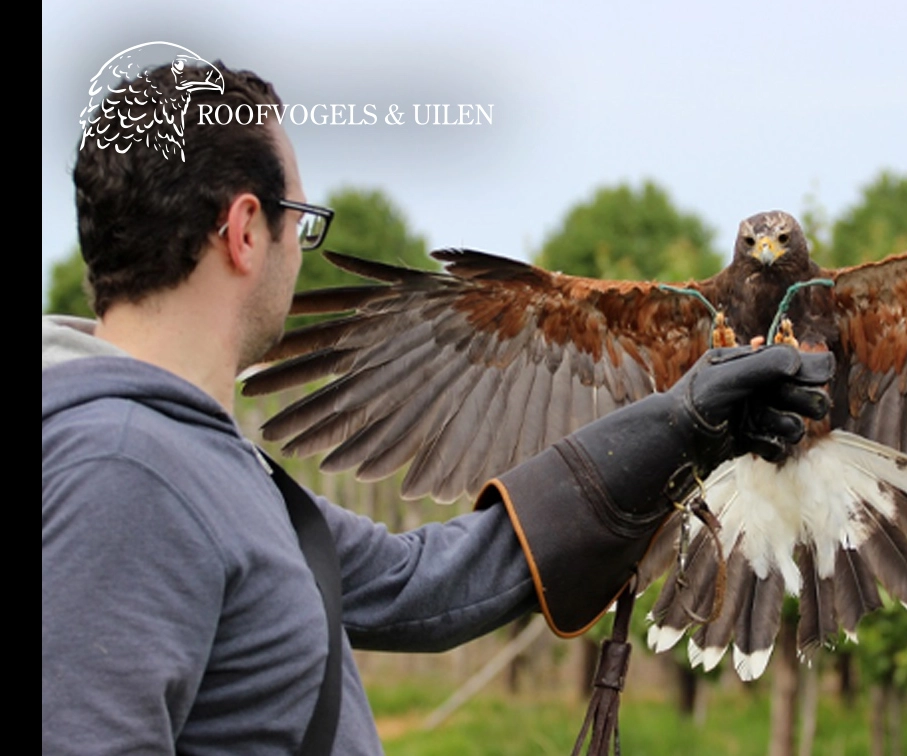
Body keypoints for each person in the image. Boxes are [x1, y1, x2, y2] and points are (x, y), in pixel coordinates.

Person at [42, 62, 833, 753]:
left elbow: (425, 585)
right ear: (247, 230)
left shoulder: (198, 464)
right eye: (302, 226)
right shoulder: (123, 469)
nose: (298, 253)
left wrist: (677, 429)